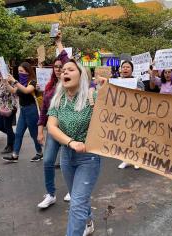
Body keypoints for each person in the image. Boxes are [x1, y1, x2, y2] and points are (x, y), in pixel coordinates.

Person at [47, 59, 102, 236]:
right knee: (79, 198)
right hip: (66, 156)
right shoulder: (58, 99)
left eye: (70, 69)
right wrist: (71, 142)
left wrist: (107, 90)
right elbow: (52, 127)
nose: (64, 73)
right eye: (63, 70)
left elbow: (114, 111)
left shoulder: (92, 96)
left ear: (81, 75)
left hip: (89, 158)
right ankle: (88, 222)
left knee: (77, 202)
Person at [37, 33, 71, 208]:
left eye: (61, 66)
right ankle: (50, 194)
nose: (59, 69)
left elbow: (67, 60)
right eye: (56, 67)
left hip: (69, 129)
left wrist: (58, 43)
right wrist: (40, 130)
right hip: (52, 130)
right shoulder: (49, 88)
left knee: (68, 163)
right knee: (48, 161)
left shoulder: (70, 84)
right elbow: (43, 111)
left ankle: (73, 190)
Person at [2, 62, 43, 162]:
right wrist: (5, 82)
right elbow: (13, 91)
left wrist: (14, 81)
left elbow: (26, 91)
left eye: (22, 71)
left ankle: (39, 152)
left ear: (27, 71)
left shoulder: (32, 82)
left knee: (34, 134)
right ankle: (15, 155)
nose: (20, 73)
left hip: (31, 110)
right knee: (19, 133)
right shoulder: (21, 82)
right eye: (18, 71)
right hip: (23, 110)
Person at [116, 60, 142, 169]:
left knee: (135, 137)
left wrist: (139, 91)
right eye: (124, 67)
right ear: (121, 69)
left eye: (128, 67)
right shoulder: (116, 81)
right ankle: (125, 159)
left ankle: (137, 159)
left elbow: (144, 96)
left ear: (132, 70)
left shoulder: (137, 81)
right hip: (121, 113)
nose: (125, 69)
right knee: (123, 137)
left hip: (135, 112)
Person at [0, 74, 17, 155]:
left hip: (9, 107)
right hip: (2, 107)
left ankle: (10, 146)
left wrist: (6, 82)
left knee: (7, 127)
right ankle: (14, 137)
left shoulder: (9, 80)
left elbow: (11, 92)